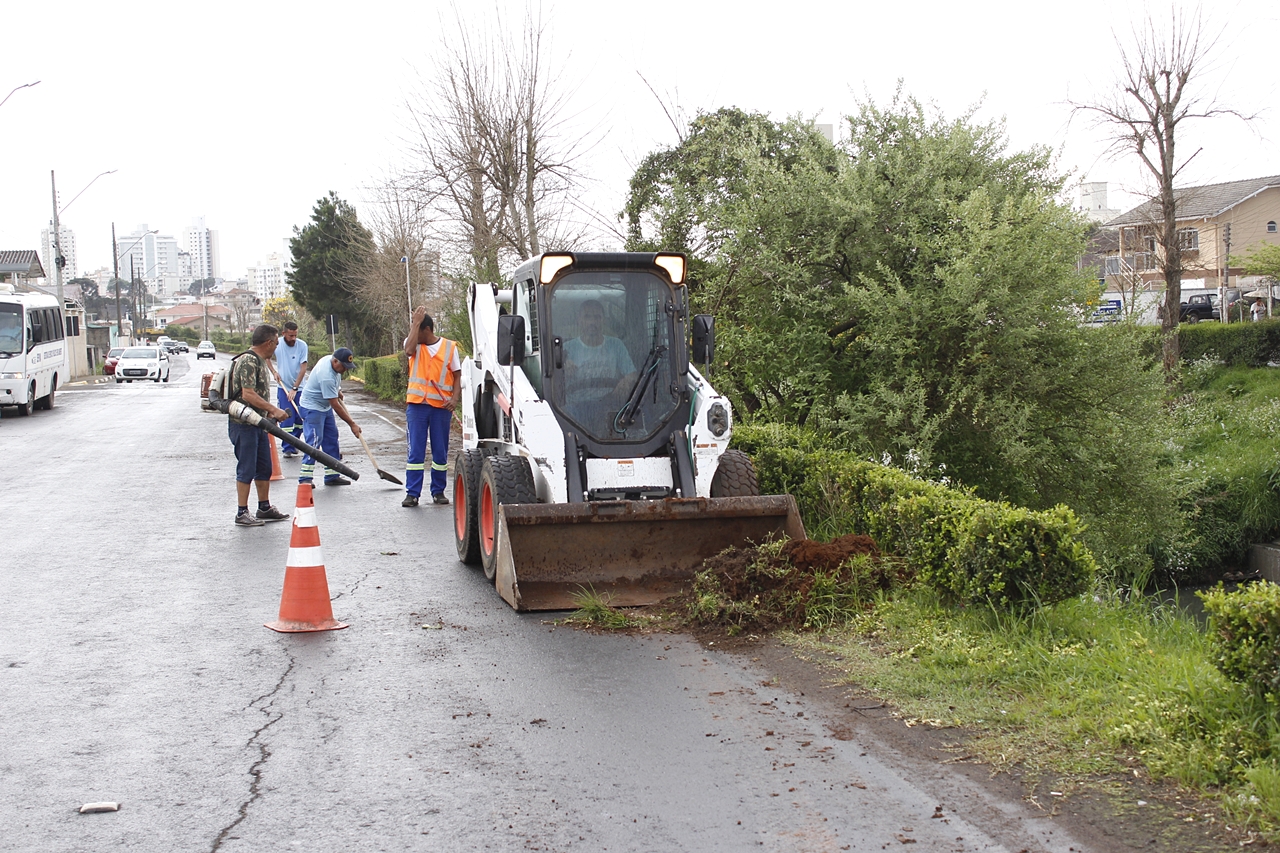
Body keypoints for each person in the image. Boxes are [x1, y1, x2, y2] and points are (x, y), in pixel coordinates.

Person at [227, 324, 290, 527]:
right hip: (243, 423)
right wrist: (273, 409)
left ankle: (264, 507)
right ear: (269, 342)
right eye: (276, 343)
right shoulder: (248, 360)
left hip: (259, 424)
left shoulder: (262, 361)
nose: (277, 347)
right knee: (246, 467)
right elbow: (248, 394)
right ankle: (241, 512)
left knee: (264, 466)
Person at [403, 307, 461, 507]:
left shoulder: (449, 348)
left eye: (417, 328)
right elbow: (408, 350)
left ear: (426, 329)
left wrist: (454, 400)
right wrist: (414, 324)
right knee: (415, 452)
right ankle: (412, 493)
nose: (413, 332)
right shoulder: (414, 344)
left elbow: (457, 375)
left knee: (440, 451)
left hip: (440, 408)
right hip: (417, 407)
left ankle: (438, 491)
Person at [562, 299, 637, 434]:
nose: (592, 322)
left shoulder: (616, 345)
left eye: (597, 317)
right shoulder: (566, 349)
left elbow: (632, 374)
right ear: (579, 320)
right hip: (578, 407)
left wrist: (626, 382)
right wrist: (563, 370)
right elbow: (555, 383)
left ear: (603, 320)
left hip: (609, 403)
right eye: (587, 317)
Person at [298, 347, 361, 488]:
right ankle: (305, 478)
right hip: (312, 408)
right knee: (314, 441)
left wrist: (337, 390)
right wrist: (352, 424)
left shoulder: (331, 361)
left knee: (331, 438)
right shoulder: (326, 375)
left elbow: (334, 386)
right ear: (335, 361)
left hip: (323, 406)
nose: (345, 370)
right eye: (343, 366)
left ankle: (332, 475)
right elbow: (335, 404)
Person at [274, 321, 310, 457]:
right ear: (283, 334)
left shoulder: (302, 346)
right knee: (287, 418)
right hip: (283, 388)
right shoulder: (277, 344)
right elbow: (266, 357)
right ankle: (287, 447)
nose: (293, 338)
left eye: (295, 335)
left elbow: (303, 368)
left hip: (299, 388)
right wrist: (273, 371)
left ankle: (294, 441)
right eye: (290, 336)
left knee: (300, 419)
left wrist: (295, 388)